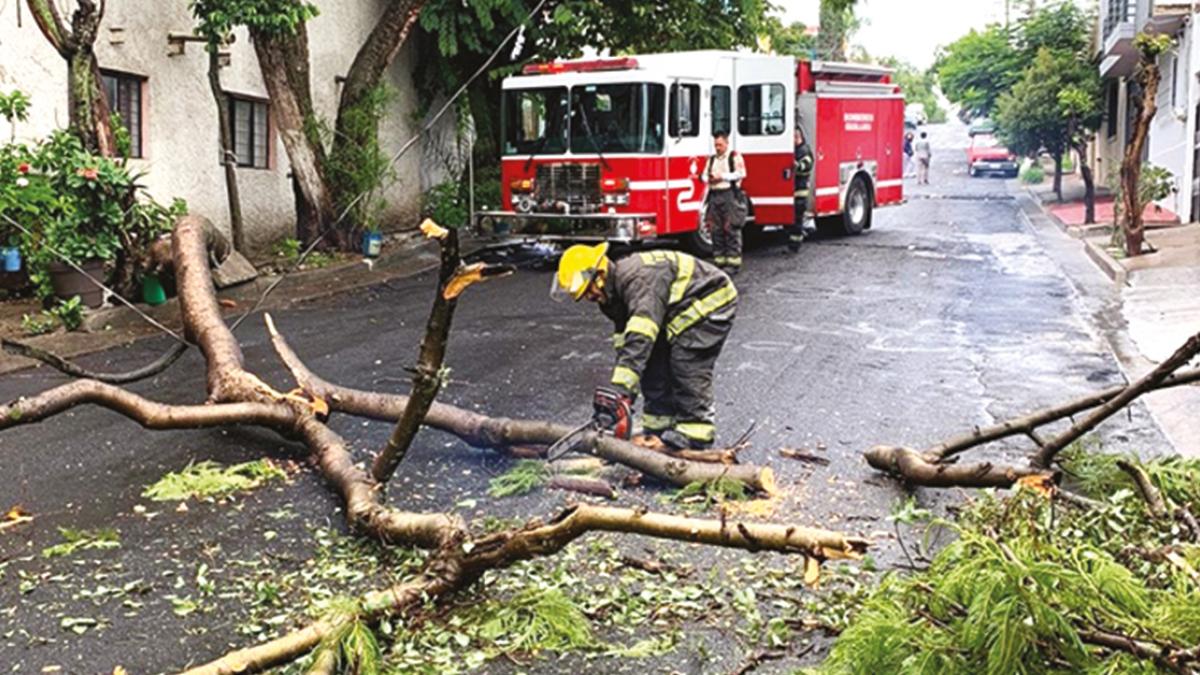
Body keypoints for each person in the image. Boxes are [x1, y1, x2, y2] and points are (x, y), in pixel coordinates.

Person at [552, 243, 738, 450]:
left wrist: (621, 389)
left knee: (685, 363)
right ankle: (658, 426)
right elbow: (626, 343)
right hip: (672, 311)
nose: (588, 298)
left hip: (709, 302)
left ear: (600, 275)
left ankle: (696, 432)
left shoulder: (637, 280)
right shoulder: (610, 297)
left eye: (588, 291)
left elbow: (641, 336)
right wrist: (623, 393)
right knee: (652, 364)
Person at [704, 132, 748, 274]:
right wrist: (707, 178)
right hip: (714, 195)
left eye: (720, 145)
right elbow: (704, 175)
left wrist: (721, 177)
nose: (717, 148)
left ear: (727, 144)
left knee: (731, 229)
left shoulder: (734, 156)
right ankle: (720, 260)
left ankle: (733, 262)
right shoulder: (711, 160)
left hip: (729, 195)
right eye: (716, 145)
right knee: (715, 230)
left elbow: (741, 173)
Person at [789, 127, 814, 253]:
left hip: (801, 190)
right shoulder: (796, 150)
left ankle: (795, 245)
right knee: (793, 219)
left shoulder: (804, 151)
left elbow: (806, 166)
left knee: (797, 219)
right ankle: (794, 242)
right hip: (795, 190)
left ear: (797, 137)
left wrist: (795, 165)